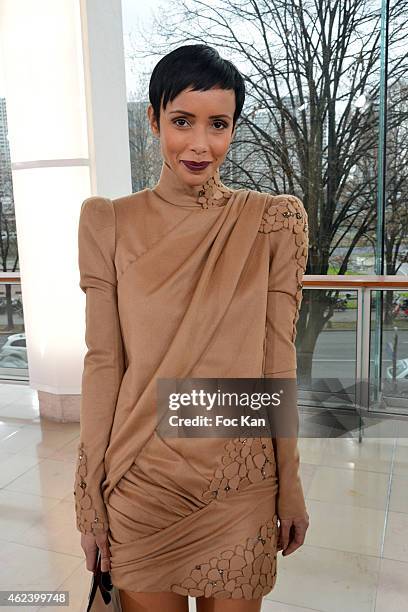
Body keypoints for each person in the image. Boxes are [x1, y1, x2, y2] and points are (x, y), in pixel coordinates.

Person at [74, 44, 310, 612]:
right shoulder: (108, 222)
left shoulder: (270, 224)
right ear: (153, 119)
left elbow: (277, 363)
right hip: (141, 478)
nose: (200, 144)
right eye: (182, 121)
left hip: (240, 481)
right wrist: (89, 498)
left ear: (234, 129)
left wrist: (290, 483)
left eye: (218, 124)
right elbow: (104, 363)